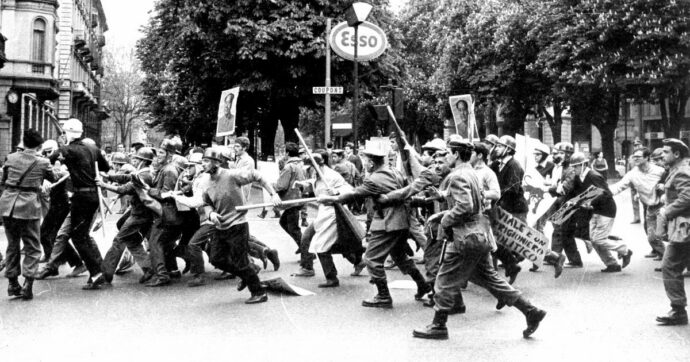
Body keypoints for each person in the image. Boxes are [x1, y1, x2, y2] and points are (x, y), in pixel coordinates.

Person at [412, 136, 546, 340]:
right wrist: (442, 202)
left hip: (463, 237)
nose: (443, 156)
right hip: (478, 234)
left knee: (444, 280)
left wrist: (444, 219)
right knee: (491, 280)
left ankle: (439, 325)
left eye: (447, 153)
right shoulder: (471, 172)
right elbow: (471, 202)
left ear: (456, 154)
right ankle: (530, 311)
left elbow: (464, 206)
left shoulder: (458, 175)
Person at [318, 142, 431, 308]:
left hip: (387, 222)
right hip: (402, 222)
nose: (365, 164)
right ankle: (423, 285)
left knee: (371, 259)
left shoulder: (374, 179)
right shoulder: (394, 171)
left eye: (366, 161)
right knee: (400, 257)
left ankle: (383, 296)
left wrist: (331, 199)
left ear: (371, 162)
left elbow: (356, 193)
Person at [195, 147, 281, 303]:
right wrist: (211, 214)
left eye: (206, 161)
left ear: (216, 162)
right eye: (202, 161)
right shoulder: (204, 181)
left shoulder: (232, 175)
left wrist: (273, 194)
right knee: (216, 259)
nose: (203, 164)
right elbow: (205, 203)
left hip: (238, 224)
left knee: (240, 262)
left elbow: (257, 175)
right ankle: (249, 274)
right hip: (220, 226)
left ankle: (259, 292)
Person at [50, 118, 110, 290]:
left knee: (78, 237)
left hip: (81, 197)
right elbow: (105, 168)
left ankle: (96, 273)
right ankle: (99, 270)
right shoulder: (93, 148)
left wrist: (61, 147)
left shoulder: (67, 150)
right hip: (93, 197)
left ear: (68, 133)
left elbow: (51, 158)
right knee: (83, 235)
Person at [1, 129, 58, 299]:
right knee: (32, 246)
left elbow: (4, 181)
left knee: (12, 245)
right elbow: (53, 178)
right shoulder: (43, 162)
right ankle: (28, 284)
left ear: (23, 143)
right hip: (28, 206)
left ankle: (12, 283)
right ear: (40, 145)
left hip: (8, 205)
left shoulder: (10, 158)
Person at [97, 147, 157, 284]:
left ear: (143, 161)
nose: (133, 161)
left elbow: (124, 188)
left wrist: (103, 184)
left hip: (139, 215)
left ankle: (106, 274)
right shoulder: (144, 172)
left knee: (118, 240)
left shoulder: (144, 175)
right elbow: (126, 177)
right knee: (132, 241)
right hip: (141, 213)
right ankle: (149, 269)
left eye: (137, 159)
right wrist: (109, 177)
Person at [569, 152, 632, 272]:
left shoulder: (594, 176)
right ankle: (611, 264)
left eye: (576, 166)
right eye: (572, 166)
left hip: (606, 210)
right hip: (594, 211)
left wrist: (590, 202)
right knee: (594, 239)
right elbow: (576, 193)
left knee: (598, 239)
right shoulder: (578, 178)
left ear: (584, 165)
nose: (573, 169)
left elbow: (606, 193)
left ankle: (624, 249)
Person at [610, 148, 666, 263]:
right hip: (650, 208)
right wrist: (604, 192)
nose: (635, 158)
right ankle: (665, 257)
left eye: (638, 156)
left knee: (668, 236)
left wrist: (664, 188)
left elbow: (671, 182)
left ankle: (671, 261)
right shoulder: (632, 174)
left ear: (646, 158)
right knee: (652, 237)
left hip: (664, 207)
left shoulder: (660, 171)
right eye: (634, 156)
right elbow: (619, 186)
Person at [655, 138, 690, 326]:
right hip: (683, 227)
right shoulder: (678, 169)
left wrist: (666, 210)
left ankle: (678, 311)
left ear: (677, 154)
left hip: (685, 228)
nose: (662, 154)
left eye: (666, 152)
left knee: (669, 265)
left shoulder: (682, 170)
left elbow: (687, 197)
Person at [273, 142, 306, 253]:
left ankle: (306, 251)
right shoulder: (299, 165)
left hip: (291, 200)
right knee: (284, 222)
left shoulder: (288, 167)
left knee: (293, 228)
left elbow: (281, 186)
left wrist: (273, 186)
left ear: (287, 153)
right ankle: (302, 246)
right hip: (297, 199)